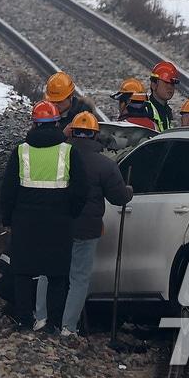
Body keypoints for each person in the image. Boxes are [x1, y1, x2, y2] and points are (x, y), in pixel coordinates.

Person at [0, 101, 89, 334]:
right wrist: (71, 212)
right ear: (57, 123)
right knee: (57, 274)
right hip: (59, 222)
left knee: (23, 271)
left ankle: (24, 321)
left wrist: (8, 219)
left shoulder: (21, 151)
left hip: (25, 221)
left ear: (34, 123)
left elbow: (8, 190)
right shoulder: (68, 151)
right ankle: (53, 324)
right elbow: (81, 189)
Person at [61, 111, 133, 337]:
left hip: (58, 226)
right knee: (79, 278)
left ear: (72, 133)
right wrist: (129, 191)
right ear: (95, 135)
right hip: (87, 229)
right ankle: (68, 327)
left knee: (49, 274)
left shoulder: (60, 158)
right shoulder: (104, 165)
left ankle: (43, 319)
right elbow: (118, 198)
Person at [45, 71, 94, 136]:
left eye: (59, 101)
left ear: (70, 96)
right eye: (52, 101)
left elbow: (84, 143)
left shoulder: (83, 113)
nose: (55, 104)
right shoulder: (44, 113)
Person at [146, 61, 179, 132]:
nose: (170, 87)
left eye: (172, 84)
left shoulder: (167, 111)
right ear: (153, 85)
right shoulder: (145, 110)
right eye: (166, 83)